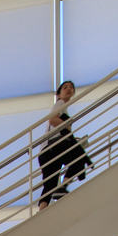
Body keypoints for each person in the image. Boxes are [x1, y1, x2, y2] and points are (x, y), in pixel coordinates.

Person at [37, 80, 93, 209]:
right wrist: (67, 126)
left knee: (49, 184)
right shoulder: (60, 104)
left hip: (45, 151)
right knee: (78, 159)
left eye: (71, 88)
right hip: (53, 146)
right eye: (65, 87)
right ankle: (63, 186)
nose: (69, 89)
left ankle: (42, 210)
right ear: (58, 94)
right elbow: (52, 120)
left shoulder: (63, 108)